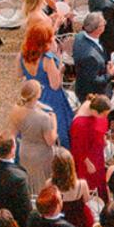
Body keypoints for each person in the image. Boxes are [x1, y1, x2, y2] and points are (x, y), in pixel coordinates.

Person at [20, 16, 72, 150]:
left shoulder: (22, 55)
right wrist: (60, 67)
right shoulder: (47, 60)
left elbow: (20, 75)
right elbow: (55, 85)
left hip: (33, 94)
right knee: (58, 129)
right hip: (50, 97)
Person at [9, 80, 57, 198]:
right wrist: (54, 122)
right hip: (41, 155)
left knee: (30, 182)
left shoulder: (16, 110)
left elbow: (12, 134)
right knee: (43, 184)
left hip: (25, 152)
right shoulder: (44, 118)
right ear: (37, 94)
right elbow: (50, 141)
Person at [69, 94, 112, 200]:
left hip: (96, 151)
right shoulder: (79, 124)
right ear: (95, 112)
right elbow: (78, 148)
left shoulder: (94, 107)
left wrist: (103, 138)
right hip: (87, 158)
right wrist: (87, 163)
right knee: (89, 182)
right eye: (103, 115)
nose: (105, 117)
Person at [53, 146, 94, 227]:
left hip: (60, 220)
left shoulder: (50, 184)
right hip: (80, 222)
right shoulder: (82, 184)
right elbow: (86, 200)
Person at [73, 12, 114, 103]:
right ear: (98, 29)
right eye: (103, 23)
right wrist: (109, 74)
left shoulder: (80, 36)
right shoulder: (90, 56)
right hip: (94, 96)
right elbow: (95, 81)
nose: (105, 24)